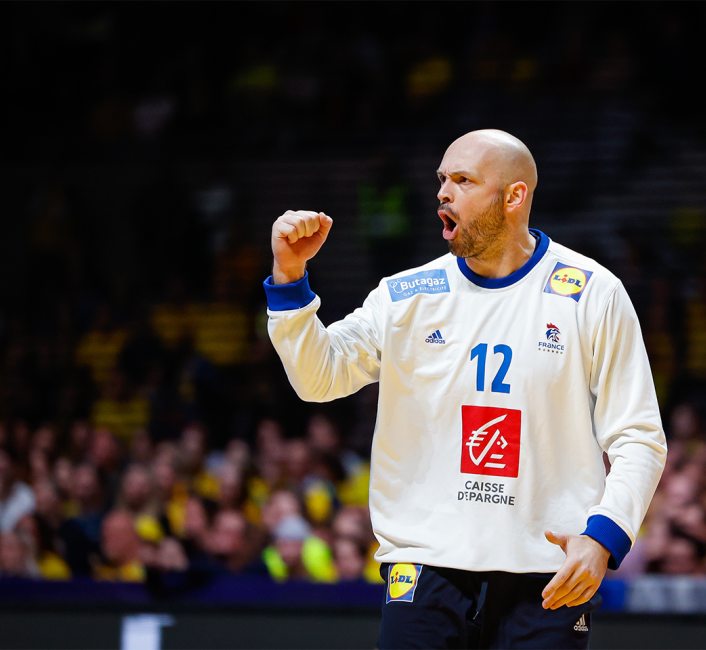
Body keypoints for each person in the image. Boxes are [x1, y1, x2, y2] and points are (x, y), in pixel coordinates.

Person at [263, 129, 666, 649]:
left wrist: (602, 539)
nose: (442, 193)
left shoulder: (592, 293)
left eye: (463, 180)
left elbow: (638, 437)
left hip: (546, 572)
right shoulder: (406, 296)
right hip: (425, 567)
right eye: (441, 180)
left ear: (514, 197)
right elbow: (320, 378)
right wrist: (290, 276)